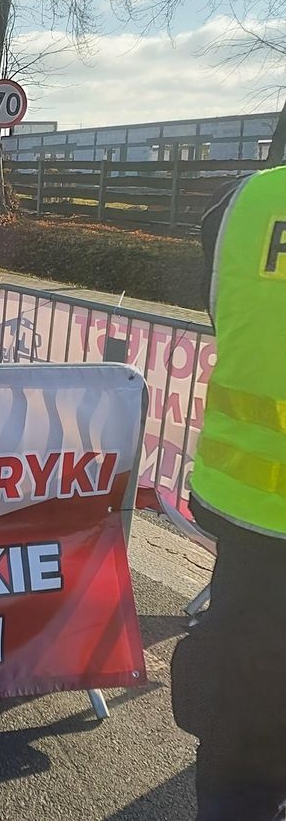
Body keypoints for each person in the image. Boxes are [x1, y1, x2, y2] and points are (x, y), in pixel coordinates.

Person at [170, 165, 286, 821]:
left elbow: (228, 310)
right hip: (250, 513)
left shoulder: (244, 200)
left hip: (249, 512)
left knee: (242, 743)